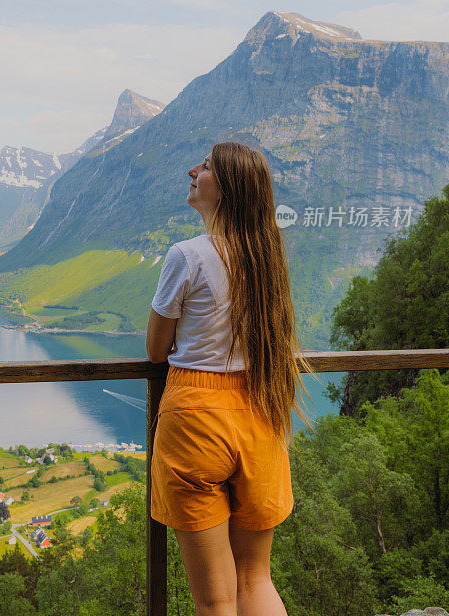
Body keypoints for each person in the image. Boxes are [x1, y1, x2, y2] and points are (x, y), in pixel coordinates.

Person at [146, 141, 319, 616]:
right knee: (255, 578)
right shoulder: (267, 258)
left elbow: (155, 350)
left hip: (196, 414)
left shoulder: (187, 255)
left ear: (223, 188)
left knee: (216, 599)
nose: (192, 169)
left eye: (204, 166)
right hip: (261, 410)